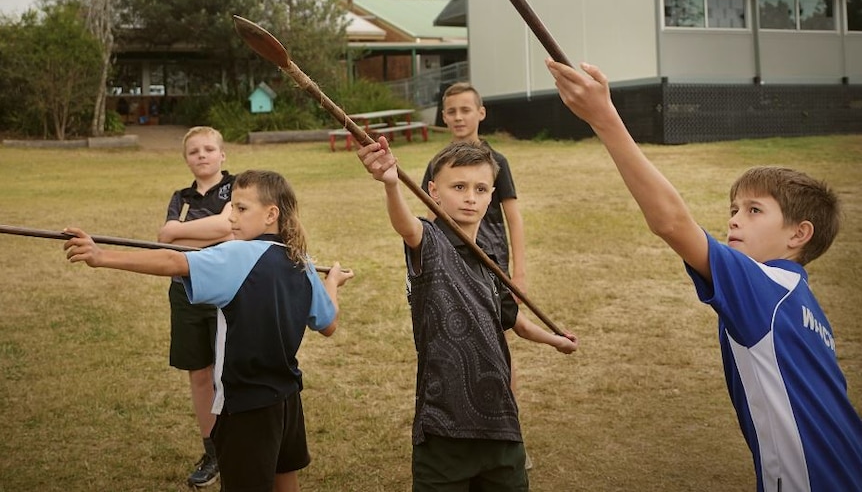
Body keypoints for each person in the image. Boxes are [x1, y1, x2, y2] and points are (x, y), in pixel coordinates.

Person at [546, 59, 862, 491]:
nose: (734, 221)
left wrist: (604, 118)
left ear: (798, 234)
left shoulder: (765, 289)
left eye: (753, 210)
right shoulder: (804, 305)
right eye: (733, 210)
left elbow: (672, 224)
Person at [63, 169, 354, 492]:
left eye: (242, 209)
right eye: (231, 206)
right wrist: (332, 283)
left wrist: (102, 256)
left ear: (272, 214)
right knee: (285, 481)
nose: (231, 217)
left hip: (245, 405)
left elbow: (175, 262)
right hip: (286, 401)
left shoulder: (236, 254)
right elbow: (328, 323)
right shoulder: (300, 260)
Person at [358, 137, 578, 491]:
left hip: (501, 426)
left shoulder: (490, 259)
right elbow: (405, 225)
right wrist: (390, 184)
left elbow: (512, 319)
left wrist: (555, 340)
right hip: (445, 426)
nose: (470, 197)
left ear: (491, 195)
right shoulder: (430, 242)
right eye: (458, 186)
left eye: (480, 188)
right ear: (433, 191)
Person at [420, 82, 533, 467]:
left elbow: (513, 217)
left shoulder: (497, 160)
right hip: (451, 266)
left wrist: (518, 271)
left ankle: (509, 431)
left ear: (480, 113)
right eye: (450, 111)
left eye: (465, 110)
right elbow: (427, 222)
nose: (457, 117)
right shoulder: (438, 164)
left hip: (492, 265)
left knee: (499, 344)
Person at [157, 126, 234, 488]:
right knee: (199, 373)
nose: (201, 155)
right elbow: (163, 238)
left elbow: (231, 228)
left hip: (227, 291)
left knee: (228, 373)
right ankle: (213, 450)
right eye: (194, 152)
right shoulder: (181, 196)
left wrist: (182, 231)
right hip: (185, 291)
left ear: (222, 155)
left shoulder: (237, 187)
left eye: (208, 149)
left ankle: (239, 446)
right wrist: (209, 231)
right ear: (186, 159)